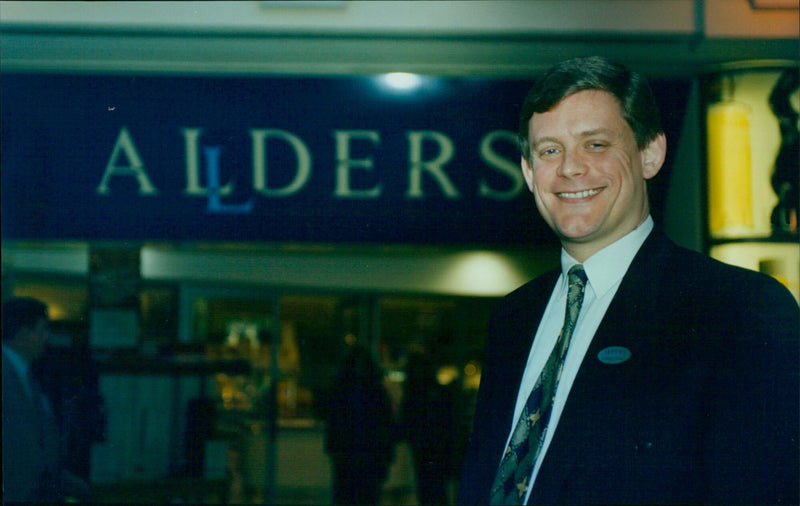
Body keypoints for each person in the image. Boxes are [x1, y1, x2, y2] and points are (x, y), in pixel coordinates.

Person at [458, 56, 799, 505]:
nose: (570, 168)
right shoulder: (513, 316)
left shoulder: (738, 309)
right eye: (549, 151)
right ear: (527, 171)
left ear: (650, 154)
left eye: (596, 144)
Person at [2, 297, 91, 503]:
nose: (47, 337)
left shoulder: (24, 373)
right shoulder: (9, 374)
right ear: (23, 333)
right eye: (42, 329)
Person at [323, 345, 396, 505]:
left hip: (351, 455)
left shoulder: (342, 391)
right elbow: (386, 425)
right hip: (365, 456)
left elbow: (333, 423)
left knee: (348, 495)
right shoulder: (376, 392)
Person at [400, 351, 455, 505]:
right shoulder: (428, 393)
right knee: (431, 485)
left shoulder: (421, 394)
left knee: (430, 485)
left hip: (431, 445)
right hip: (429, 445)